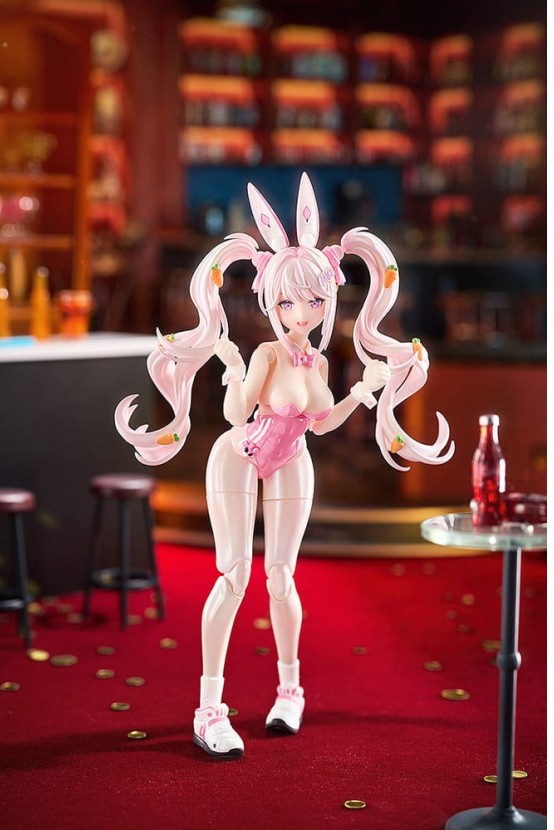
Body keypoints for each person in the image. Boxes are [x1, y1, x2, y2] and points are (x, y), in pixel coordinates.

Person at [115, 172, 454, 759]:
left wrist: (366, 390)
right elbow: (235, 414)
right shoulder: (268, 353)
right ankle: (209, 707)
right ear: (272, 303)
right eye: (289, 301)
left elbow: (319, 424)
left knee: (281, 576)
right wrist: (231, 368)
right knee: (235, 574)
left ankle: (290, 691)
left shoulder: (316, 362)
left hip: (293, 456)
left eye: (314, 300)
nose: (302, 312)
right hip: (241, 453)